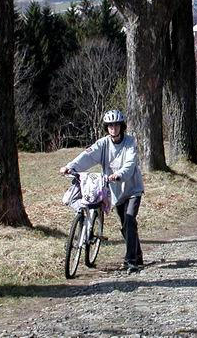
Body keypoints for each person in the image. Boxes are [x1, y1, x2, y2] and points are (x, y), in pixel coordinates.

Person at [60, 109, 144, 274]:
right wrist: (70, 167)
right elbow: (88, 156)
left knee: (129, 219)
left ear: (122, 126)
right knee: (126, 224)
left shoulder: (130, 142)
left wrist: (118, 174)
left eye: (117, 125)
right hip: (115, 191)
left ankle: (131, 261)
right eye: (110, 125)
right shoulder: (103, 143)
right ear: (107, 127)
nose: (114, 128)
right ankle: (138, 255)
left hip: (133, 189)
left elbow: (129, 164)